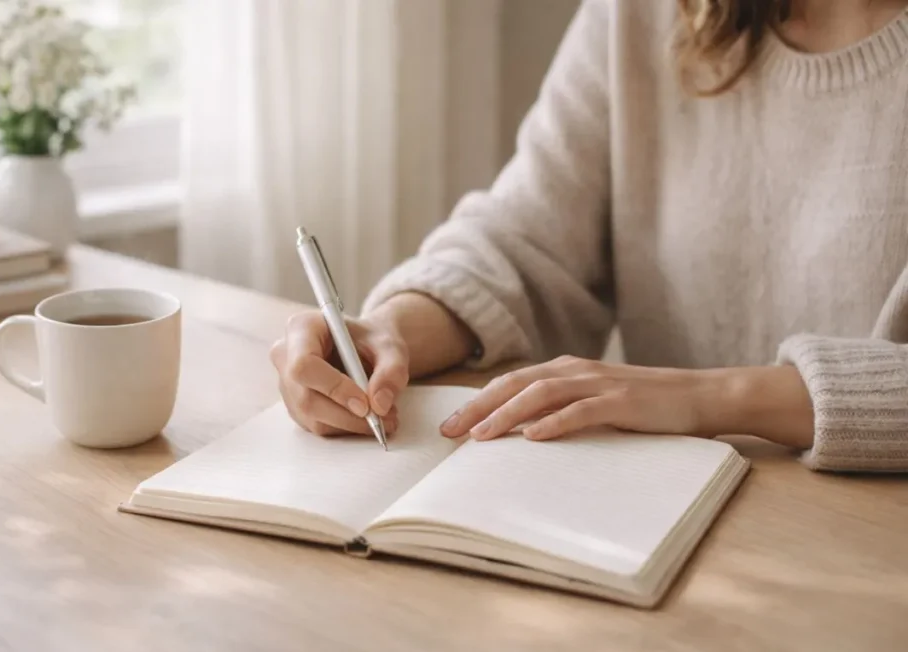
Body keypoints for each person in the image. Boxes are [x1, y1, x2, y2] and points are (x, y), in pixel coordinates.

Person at [270, 0, 908, 472]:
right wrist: (392, 334)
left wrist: (711, 398)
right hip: (650, 512)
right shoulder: (646, 13)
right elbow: (527, 235)